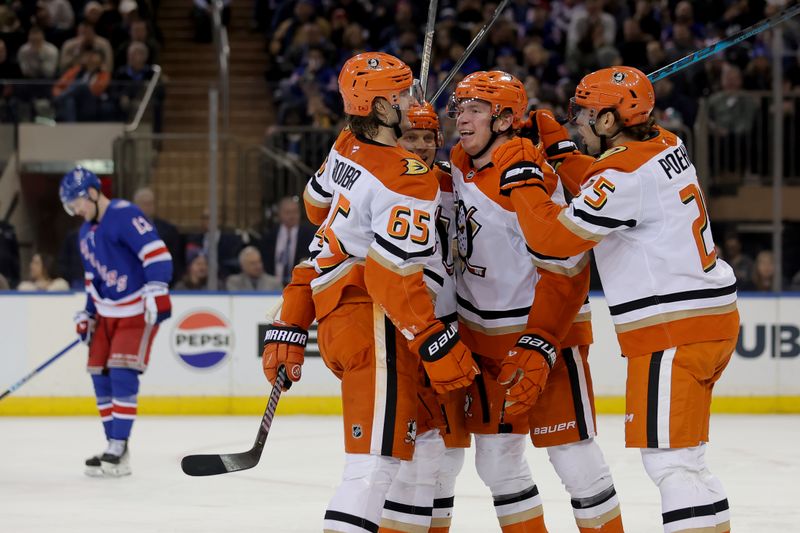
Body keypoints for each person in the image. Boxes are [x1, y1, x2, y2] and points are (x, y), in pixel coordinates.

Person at [500, 66, 739, 533]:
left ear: (610, 122)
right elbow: (602, 184)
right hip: (709, 319)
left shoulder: (621, 173)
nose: (578, 124)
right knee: (687, 461)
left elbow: (555, 239)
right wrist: (562, 149)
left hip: (673, 330)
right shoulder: (664, 144)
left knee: (673, 465)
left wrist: (525, 177)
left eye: (585, 116)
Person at [261, 51, 478, 533]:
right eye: (400, 95)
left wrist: (292, 319)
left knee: (405, 458)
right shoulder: (409, 177)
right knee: (372, 468)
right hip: (374, 322)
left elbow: (317, 211)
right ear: (380, 109)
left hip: (339, 319)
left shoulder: (344, 148)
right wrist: (435, 342)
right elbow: (390, 278)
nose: (412, 101)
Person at [447, 70, 623, 532]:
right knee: (497, 463)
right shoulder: (460, 161)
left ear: (504, 119)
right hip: (482, 344)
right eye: (459, 108)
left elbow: (568, 265)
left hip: (539, 337)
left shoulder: (528, 176)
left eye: (475, 109)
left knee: (574, 458)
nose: (462, 119)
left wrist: (543, 341)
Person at [59, 166, 173, 477]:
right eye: (71, 205)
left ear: (94, 192)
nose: (76, 210)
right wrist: (87, 313)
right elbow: (92, 279)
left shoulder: (124, 214)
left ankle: (119, 445)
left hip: (135, 310)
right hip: (105, 313)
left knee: (123, 373)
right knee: (100, 376)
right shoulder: (84, 234)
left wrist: (157, 289)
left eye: (78, 202)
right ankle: (113, 446)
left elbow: (157, 254)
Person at [395, 102, 471, 532]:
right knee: (412, 458)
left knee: (450, 457)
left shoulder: (450, 182)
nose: (421, 145)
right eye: (411, 137)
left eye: (428, 137)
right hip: (408, 332)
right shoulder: (383, 179)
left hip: (451, 328)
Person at [258, 196, 315, 286]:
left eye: (295, 212)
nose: (292, 216)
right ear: (279, 214)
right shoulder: (269, 236)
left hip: (299, 285)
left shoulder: (310, 235)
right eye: (288, 212)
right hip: (272, 286)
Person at [133, 187, 183, 284]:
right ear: (135, 205)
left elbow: (176, 261)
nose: (148, 207)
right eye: (144, 203)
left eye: (151, 203)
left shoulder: (169, 230)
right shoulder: (126, 229)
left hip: (162, 281)